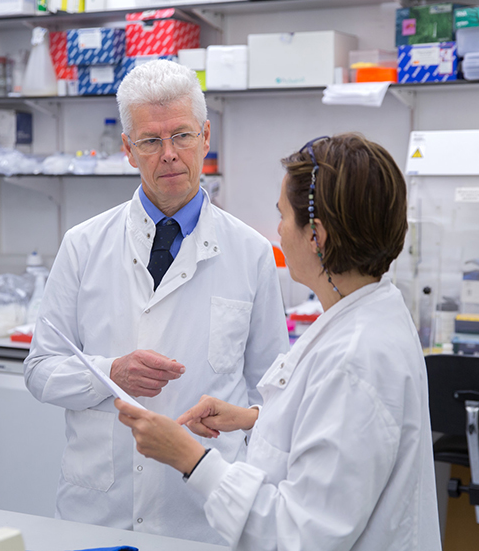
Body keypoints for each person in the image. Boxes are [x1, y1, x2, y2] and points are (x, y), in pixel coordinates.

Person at [115, 133, 442, 550]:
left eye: (283, 216)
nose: (278, 231)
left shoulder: (356, 359)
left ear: (315, 236)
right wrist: (253, 418)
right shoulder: (364, 314)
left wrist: (189, 458)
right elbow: (329, 432)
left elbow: (299, 536)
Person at [24, 59, 289, 544]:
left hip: (205, 516)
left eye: (182, 136)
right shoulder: (83, 245)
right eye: (150, 141)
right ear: (128, 149)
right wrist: (110, 374)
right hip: (100, 511)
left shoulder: (250, 253)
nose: (168, 154)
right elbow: (40, 369)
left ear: (206, 137)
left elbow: (273, 396)